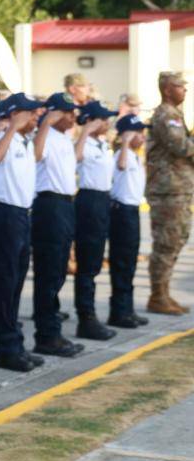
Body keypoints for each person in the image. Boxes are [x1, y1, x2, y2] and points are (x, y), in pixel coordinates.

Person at [0, 93, 46, 373]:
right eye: (29, 113)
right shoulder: (1, 138)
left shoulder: (24, 140)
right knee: (5, 283)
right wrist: (10, 127)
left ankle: (15, 344)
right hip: (5, 214)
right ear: (15, 115)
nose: (35, 117)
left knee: (16, 282)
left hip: (21, 214)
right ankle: (7, 348)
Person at [32, 93, 87, 357]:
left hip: (65, 204)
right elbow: (35, 155)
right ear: (54, 113)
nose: (73, 117)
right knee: (49, 271)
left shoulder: (64, 137)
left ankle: (52, 331)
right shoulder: (45, 135)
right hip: (49, 204)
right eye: (67, 112)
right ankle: (46, 335)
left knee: (58, 271)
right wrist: (45, 123)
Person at [145, 71, 193, 315]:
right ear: (167, 89)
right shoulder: (166, 114)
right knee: (166, 242)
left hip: (178, 190)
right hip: (167, 190)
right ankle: (157, 296)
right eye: (180, 86)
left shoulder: (175, 114)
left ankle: (163, 292)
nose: (185, 90)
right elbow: (180, 146)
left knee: (176, 240)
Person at [73, 100, 120, 341]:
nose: (108, 123)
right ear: (91, 121)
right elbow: (75, 159)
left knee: (94, 261)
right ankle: (86, 318)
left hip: (102, 200)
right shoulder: (85, 143)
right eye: (103, 119)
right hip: (89, 200)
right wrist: (85, 131)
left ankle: (89, 315)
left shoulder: (102, 143)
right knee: (87, 261)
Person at [108, 114, 151, 328]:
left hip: (132, 211)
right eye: (138, 133)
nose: (142, 137)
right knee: (122, 261)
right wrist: (124, 142)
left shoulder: (135, 156)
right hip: (121, 212)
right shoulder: (120, 155)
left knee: (130, 261)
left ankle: (128, 308)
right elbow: (121, 166)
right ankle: (118, 312)